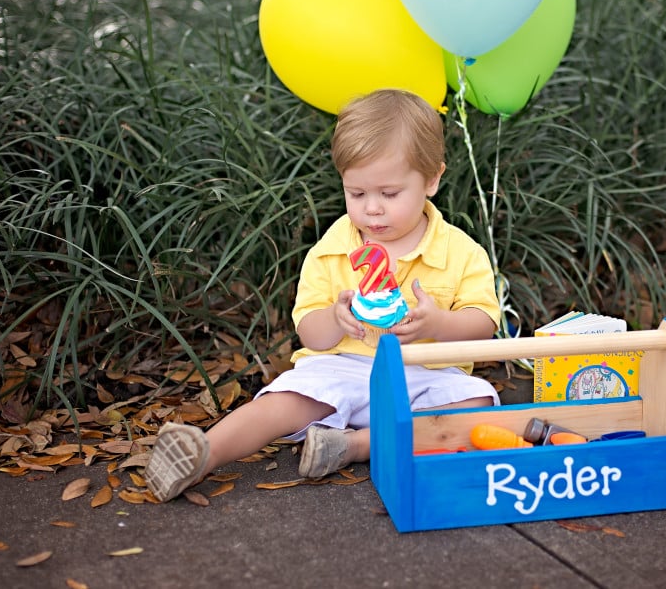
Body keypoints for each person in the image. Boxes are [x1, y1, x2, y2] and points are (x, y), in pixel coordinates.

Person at [145, 88, 501, 502]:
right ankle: (201, 453)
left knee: (475, 404)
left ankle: (351, 447)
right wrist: (336, 319)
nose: (372, 209)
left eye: (389, 194)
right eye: (357, 193)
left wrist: (438, 323)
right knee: (280, 401)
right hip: (343, 368)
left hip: (426, 376)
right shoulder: (332, 248)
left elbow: (483, 325)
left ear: (432, 179)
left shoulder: (460, 251)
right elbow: (310, 333)